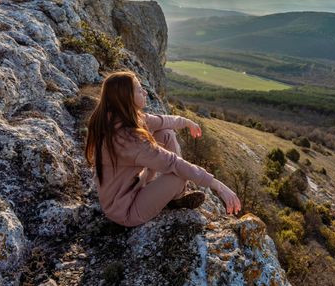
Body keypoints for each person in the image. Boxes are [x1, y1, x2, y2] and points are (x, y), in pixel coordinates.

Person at [84, 70, 241, 227]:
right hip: (125, 210)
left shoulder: (120, 118)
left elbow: (162, 121)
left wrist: (187, 122)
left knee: (165, 133)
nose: (145, 92)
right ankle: (176, 193)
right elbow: (173, 163)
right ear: (127, 97)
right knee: (179, 173)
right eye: (140, 90)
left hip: (132, 187)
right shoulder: (128, 138)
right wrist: (218, 186)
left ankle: (175, 196)